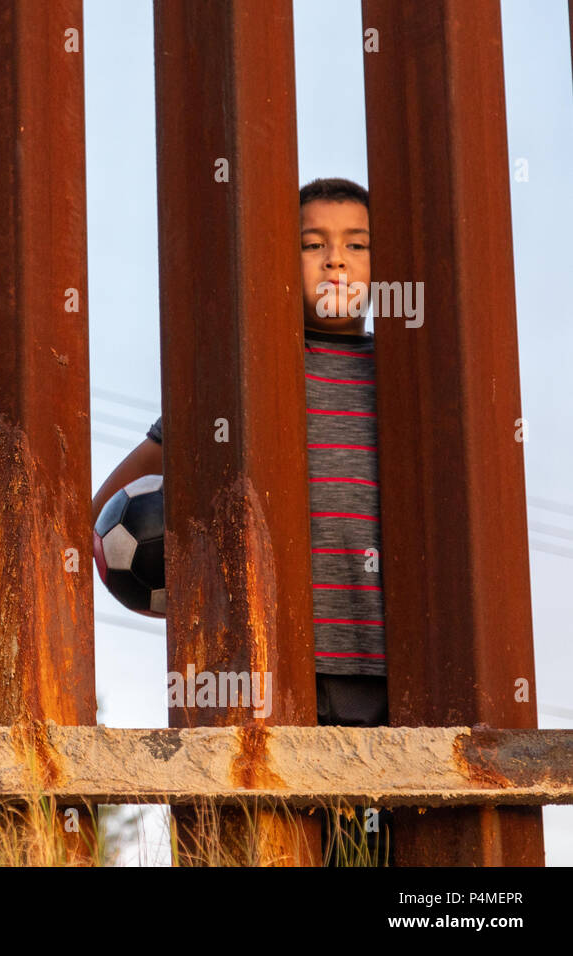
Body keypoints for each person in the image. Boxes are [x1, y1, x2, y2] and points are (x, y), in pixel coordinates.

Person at [92, 178, 392, 861]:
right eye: (312, 245)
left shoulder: (399, 372)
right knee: (281, 839)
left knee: (373, 845)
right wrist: (177, 584)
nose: (335, 260)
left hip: (381, 659)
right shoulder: (246, 375)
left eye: (357, 245)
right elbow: (114, 501)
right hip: (278, 664)